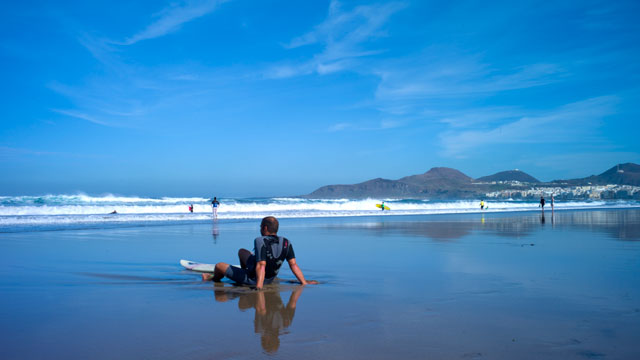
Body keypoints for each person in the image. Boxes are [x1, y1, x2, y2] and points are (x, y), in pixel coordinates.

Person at [202, 216, 317, 289]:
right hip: (270, 277)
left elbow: (262, 265)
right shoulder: (286, 242)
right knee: (242, 252)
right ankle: (245, 271)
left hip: (256, 279)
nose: (260, 229)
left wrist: (259, 287)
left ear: (265, 228)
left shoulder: (260, 240)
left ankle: (212, 278)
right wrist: (304, 282)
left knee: (219, 266)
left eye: (261, 226)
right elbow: (293, 265)